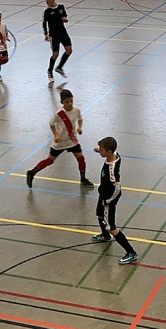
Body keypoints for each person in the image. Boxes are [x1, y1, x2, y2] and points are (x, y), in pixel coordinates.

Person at [26, 88, 94, 188]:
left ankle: (83, 179)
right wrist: (56, 135)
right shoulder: (59, 114)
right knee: (50, 160)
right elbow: (51, 124)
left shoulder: (76, 110)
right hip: (60, 142)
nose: (70, 104)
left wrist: (79, 127)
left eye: (71, 101)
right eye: (67, 102)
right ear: (62, 102)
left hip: (72, 140)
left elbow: (80, 119)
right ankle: (32, 172)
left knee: (81, 158)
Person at [91, 137, 138, 265]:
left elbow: (117, 188)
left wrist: (108, 201)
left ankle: (131, 252)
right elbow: (112, 151)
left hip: (109, 198)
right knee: (99, 214)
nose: (99, 151)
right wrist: (100, 150)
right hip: (104, 194)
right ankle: (105, 236)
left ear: (109, 152)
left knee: (111, 227)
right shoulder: (115, 155)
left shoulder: (112, 170)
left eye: (101, 150)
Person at [42, 0, 72, 82]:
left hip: (63, 32)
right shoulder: (47, 11)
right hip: (54, 35)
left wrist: (65, 19)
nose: (47, 1)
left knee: (69, 50)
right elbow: (44, 23)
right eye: (46, 0)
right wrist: (46, 34)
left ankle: (59, 67)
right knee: (55, 54)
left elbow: (65, 16)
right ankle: (50, 71)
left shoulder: (61, 7)